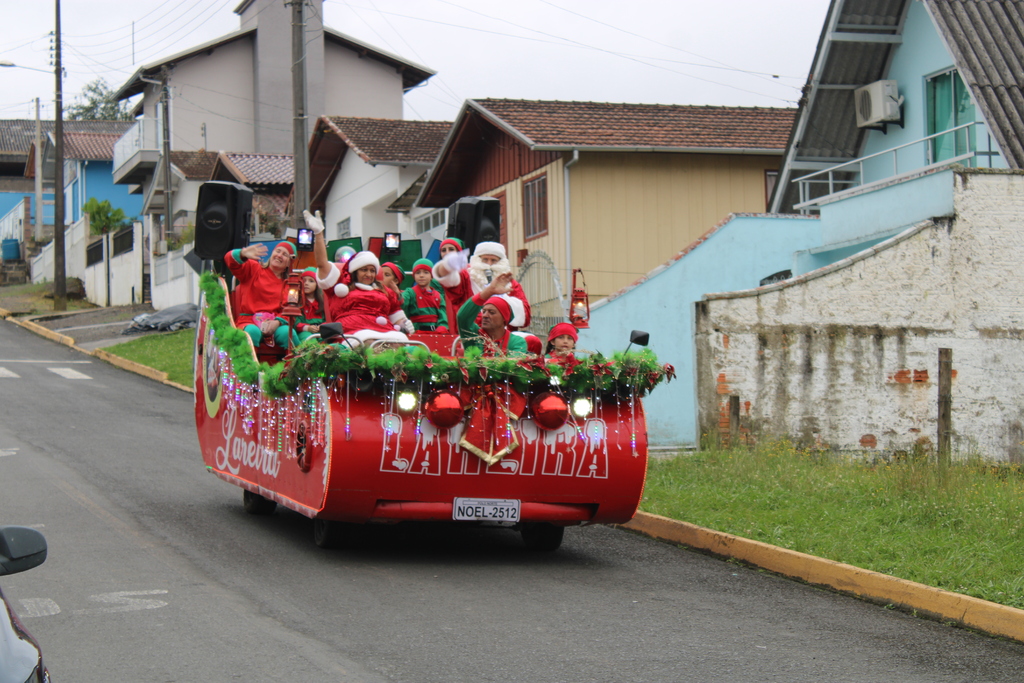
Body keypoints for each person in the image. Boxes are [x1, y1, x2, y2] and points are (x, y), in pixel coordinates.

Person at [304, 210, 415, 347]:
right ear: (355, 271)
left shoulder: (384, 291)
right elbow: (322, 265)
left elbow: (396, 316)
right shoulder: (340, 286)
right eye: (364, 270)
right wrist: (318, 234)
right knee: (370, 344)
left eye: (372, 270)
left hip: (385, 332)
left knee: (401, 346)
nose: (369, 274)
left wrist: (404, 324)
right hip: (354, 334)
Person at [432, 241, 532, 330]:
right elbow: (448, 280)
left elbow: (525, 317)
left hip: (504, 340)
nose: (489, 264)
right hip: (472, 336)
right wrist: (447, 266)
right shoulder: (467, 277)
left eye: (493, 260)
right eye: (485, 259)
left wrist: (503, 300)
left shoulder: (511, 284)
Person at [223, 241, 299, 348]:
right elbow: (229, 259)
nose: (279, 255)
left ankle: (297, 364)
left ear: (289, 263)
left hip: (275, 324)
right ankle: (248, 365)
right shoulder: (254, 269)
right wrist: (242, 253)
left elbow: (290, 311)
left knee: (288, 334)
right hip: (249, 321)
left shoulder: (289, 284)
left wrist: (277, 322)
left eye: (285, 254)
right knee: (252, 332)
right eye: (278, 251)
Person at [456, 271, 529, 356]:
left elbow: (511, 366)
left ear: (504, 319)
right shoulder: (474, 335)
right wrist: (489, 291)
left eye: (492, 312)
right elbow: (462, 317)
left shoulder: (516, 342)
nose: (485, 315)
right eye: (484, 311)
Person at [402, 258, 448, 332]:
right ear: (414, 276)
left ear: (431, 276)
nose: (421, 275)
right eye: (418, 273)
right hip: (416, 332)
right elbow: (402, 301)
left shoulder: (438, 296)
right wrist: (397, 297)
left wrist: (442, 327)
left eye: (426, 272)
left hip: (435, 334)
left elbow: (443, 316)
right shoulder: (410, 292)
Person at [296, 267, 325, 342]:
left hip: (321, 331)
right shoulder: (297, 302)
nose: (306, 283)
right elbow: (295, 322)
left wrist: (322, 327)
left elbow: (328, 319)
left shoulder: (323, 302)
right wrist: (307, 328)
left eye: (311, 281)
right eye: (304, 280)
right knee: (310, 341)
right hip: (304, 332)